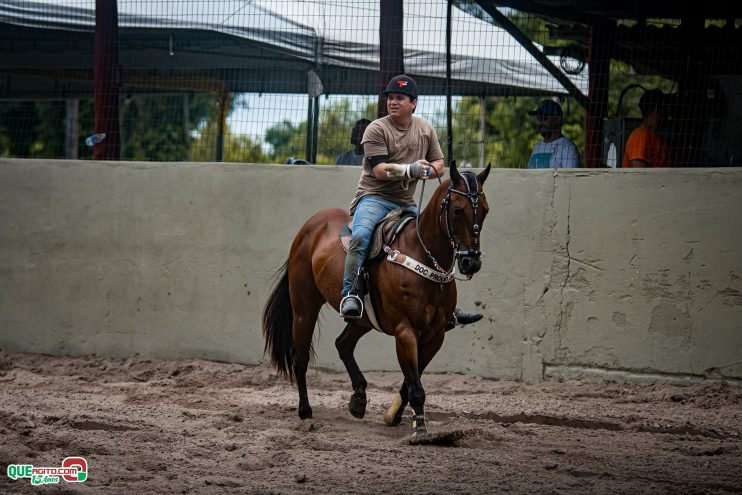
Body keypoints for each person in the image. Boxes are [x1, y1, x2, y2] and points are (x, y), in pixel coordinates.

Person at [339, 74, 482, 330]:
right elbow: (380, 170)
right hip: (374, 198)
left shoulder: (425, 129)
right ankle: (350, 294)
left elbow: (439, 163)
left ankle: (448, 306)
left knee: (439, 240)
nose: (393, 102)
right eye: (390, 98)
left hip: (406, 202)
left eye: (400, 98)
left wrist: (429, 171)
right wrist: (412, 170)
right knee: (360, 237)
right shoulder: (376, 129)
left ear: (413, 103)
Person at [622, 88, 670, 168]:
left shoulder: (659, 138)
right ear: (657, 109)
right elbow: (639, 177)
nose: (668, 113)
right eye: (666, 108)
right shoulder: (640, 136)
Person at [527, 100, 580, 169]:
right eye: (539, 119)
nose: (540, 123)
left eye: (544, 119)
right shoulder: (537, 147)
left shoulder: (568, 147)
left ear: (557, 120)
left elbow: (569, 179)